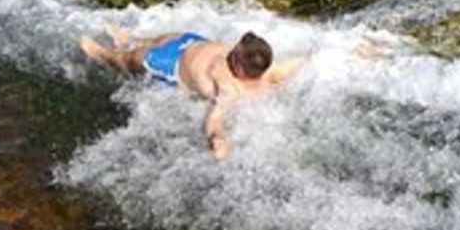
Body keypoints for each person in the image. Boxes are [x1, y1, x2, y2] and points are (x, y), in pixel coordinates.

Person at [80, 26, 304, 160]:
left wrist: (217, 140)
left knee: (131, 60)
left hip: (172, 64)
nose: (231, 52)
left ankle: (104, 55)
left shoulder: (229, 88)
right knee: (162, 38)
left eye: (234, 55)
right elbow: (299, 62)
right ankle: (130, 39)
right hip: (192, 42)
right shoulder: (269, 69)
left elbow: (215, 118)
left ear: (239, 69)